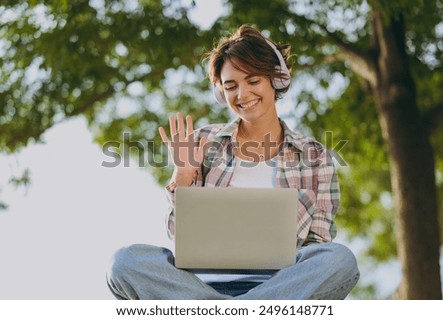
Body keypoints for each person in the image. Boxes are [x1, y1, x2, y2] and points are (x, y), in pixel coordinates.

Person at [106, 25, 360, 300]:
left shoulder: (316, 158)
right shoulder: (203, 141)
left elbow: (317, 249)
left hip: (280, 288)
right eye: (231, 86)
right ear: (220, 92)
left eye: (253, 81)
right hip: (200, 286)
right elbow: (179, 238)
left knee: (339, 260)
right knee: (124, 262)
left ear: (276, 79)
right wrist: (182, 177)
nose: (242, 95)